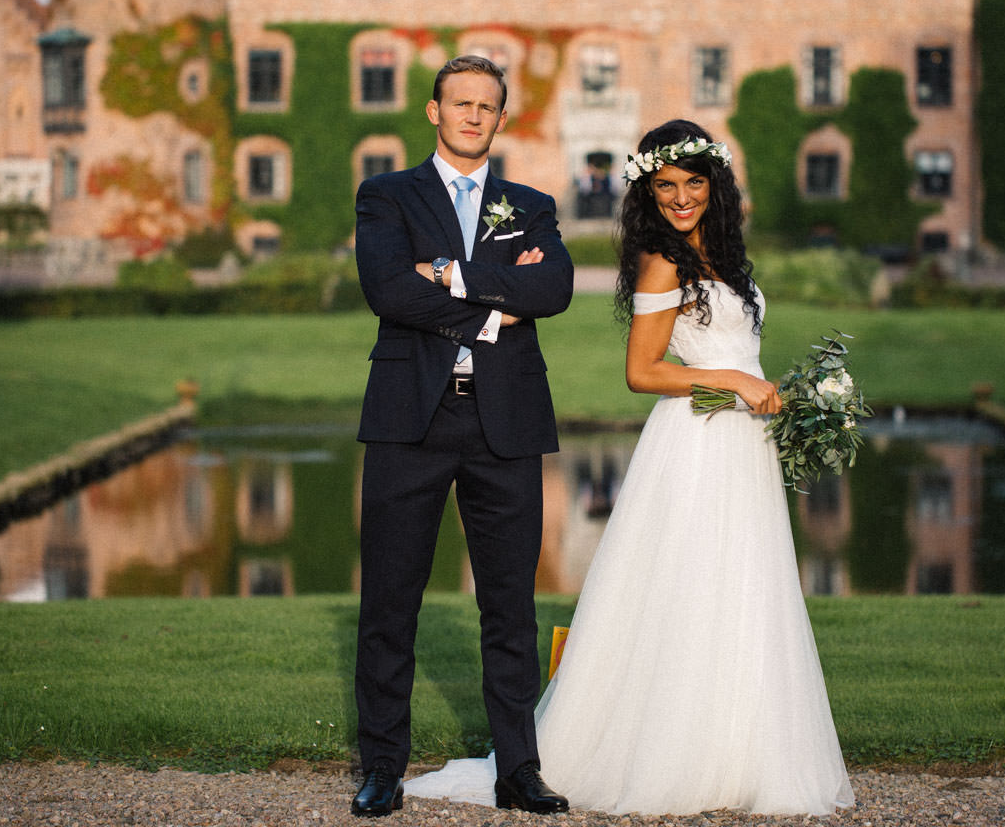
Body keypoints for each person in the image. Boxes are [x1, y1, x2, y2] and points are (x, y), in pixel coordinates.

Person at [405, 118, 855, 816]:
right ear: (649, 192)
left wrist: (786, 397)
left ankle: (738, 752)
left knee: (742, 588)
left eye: (692, 184)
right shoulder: (661, 260)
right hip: (696, 443)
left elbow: (741, 357)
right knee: (688, 588)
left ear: (716, 184)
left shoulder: (727, 258)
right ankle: (669, 756)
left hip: (743, 446)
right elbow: (641, 373)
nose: (680, 198)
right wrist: (733, 384)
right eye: (666, 186)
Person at [351, 55, 574, 817]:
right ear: (433, 111)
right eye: (460, 104)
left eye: (487, 106)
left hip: (504, 423)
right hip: (409, 420)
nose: (473, 116)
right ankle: (382, 766)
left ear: (500, 118)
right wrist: (490, 302)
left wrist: (443, 272)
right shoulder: (385, 195)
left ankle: (519, 770)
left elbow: (555, 289)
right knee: (390, 602)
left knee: (510, 606)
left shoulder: (531, 203)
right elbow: (387, 288)